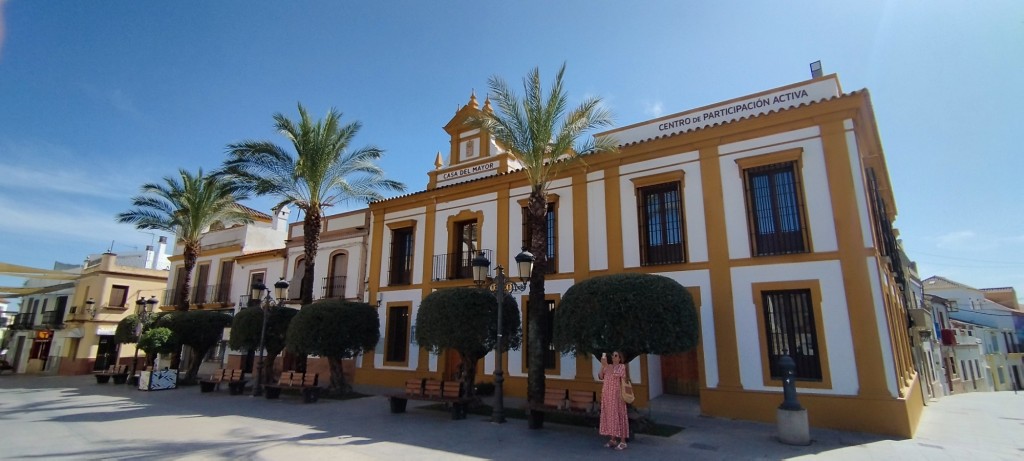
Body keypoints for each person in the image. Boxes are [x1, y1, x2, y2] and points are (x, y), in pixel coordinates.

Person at [598, 351, 629, 450]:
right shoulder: (609, 366)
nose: (613, 357)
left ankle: (623, 442)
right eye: (612, 355)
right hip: (607, 395)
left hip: (617, 396)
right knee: (610, 417)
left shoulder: (621, 367)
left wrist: (606, 365)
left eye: (616, 355)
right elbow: (600, 376)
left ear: (619, 358)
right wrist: (602, 366)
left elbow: (614, 373)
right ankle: (613, 439)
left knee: (619, 417)